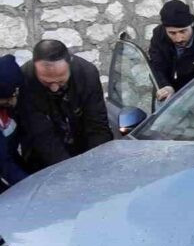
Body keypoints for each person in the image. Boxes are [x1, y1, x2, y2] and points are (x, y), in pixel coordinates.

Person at [19, 40, 113, 170]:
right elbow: (41, 135)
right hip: (43, 158)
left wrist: (97, 164)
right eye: (46, 82)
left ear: (70, 65)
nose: (54, 88)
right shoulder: (24, 78)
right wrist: (68, 171)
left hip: (82, 145)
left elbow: (97, 125)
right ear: (35, 68)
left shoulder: (87, 74)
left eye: (60, 80)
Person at [148, 0, 194, 101]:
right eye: (172, 33)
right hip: (166, 91)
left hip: (193, 95)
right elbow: (156, 65)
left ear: (192, 24)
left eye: (183, 31)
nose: (179, 39)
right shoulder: (159, 35)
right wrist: (165, 86)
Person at [0, 55, 27, 187]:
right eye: (9, 97)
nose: (13, 100)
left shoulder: (8, 110)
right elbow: (3, 163)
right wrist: (28, 185)